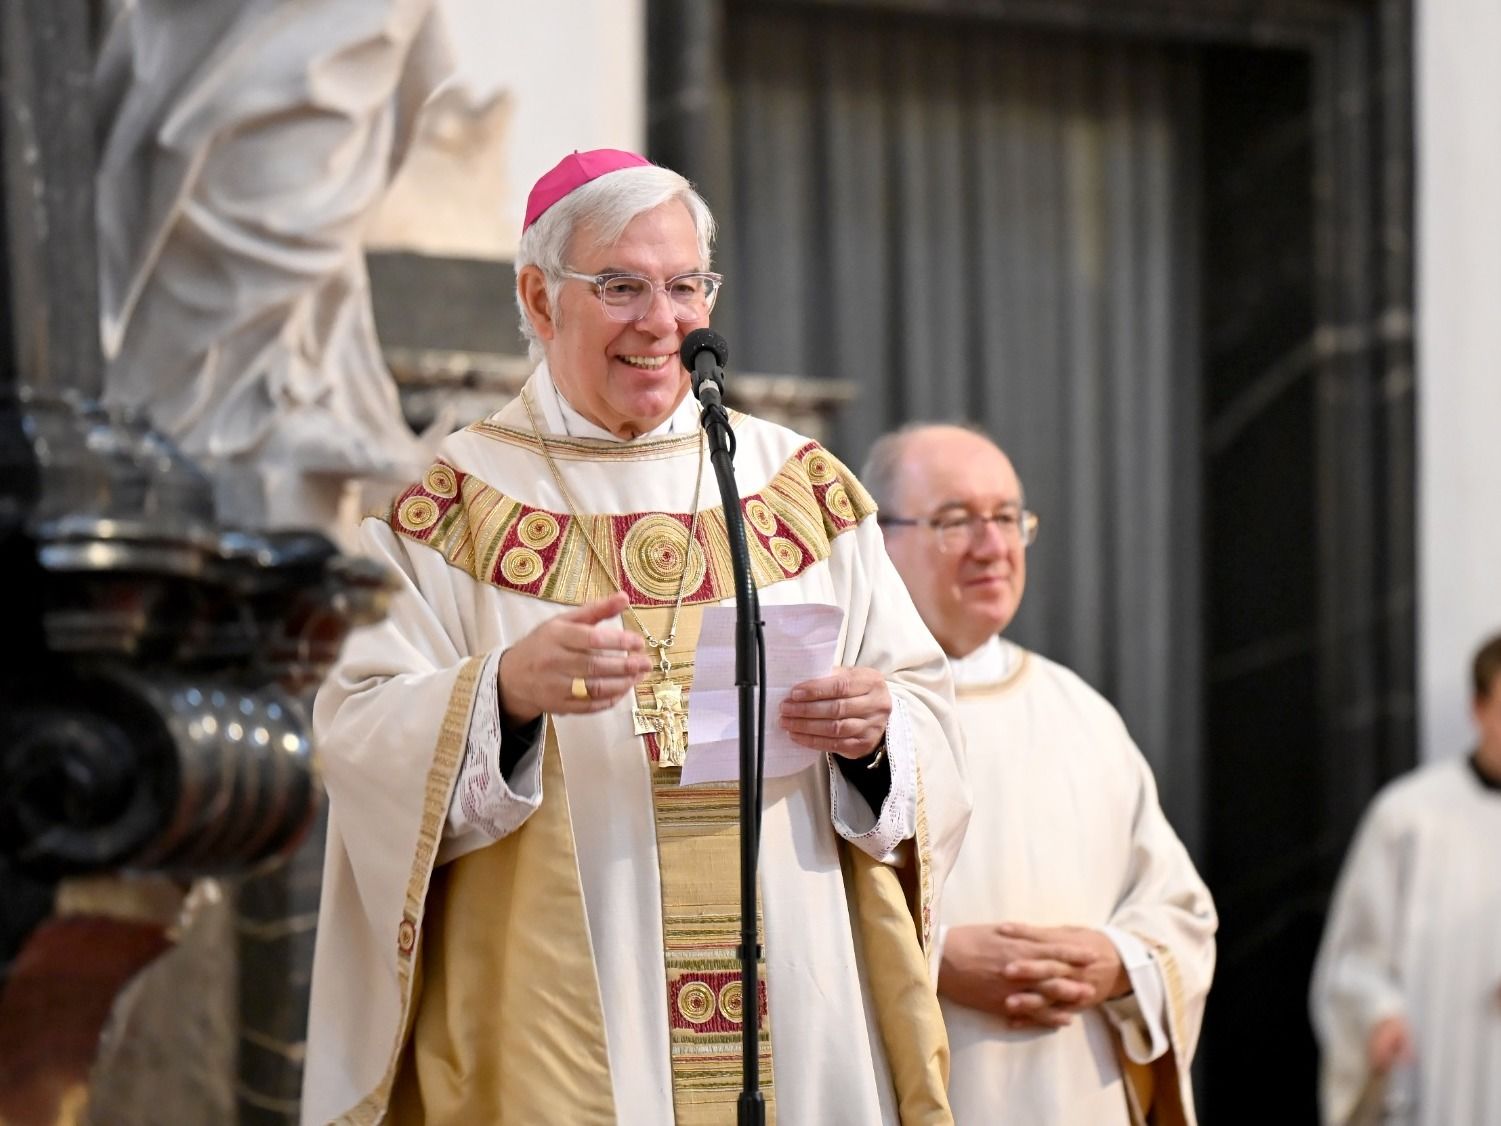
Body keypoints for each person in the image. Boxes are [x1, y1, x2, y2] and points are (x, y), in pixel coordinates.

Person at [300, 150, 971, 1125]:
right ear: (538, 298)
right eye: (620, 286)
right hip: (559, 1013)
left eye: (684, 285)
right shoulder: (448, 504)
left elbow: (932, 727)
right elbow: (353, 734)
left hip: (797, 984)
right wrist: (503, 693)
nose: (661, 321)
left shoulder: (799, 487)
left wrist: (877, 736)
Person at [865, 423, 1217, 1125]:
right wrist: (931, 960)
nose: (992, 548)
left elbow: (1180, 916)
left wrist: (1115, 962)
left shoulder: (1080, 714)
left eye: (1006, 519)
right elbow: (782, 928)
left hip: (1073, 1090)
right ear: (877, 538)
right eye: (955, 521)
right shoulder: (841, 712)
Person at [1309, 632, 1501, 1126]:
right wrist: (1380, 1015)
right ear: (1478, 708)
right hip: (1439, 1074)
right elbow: (1354, 958)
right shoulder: (1409, 817)